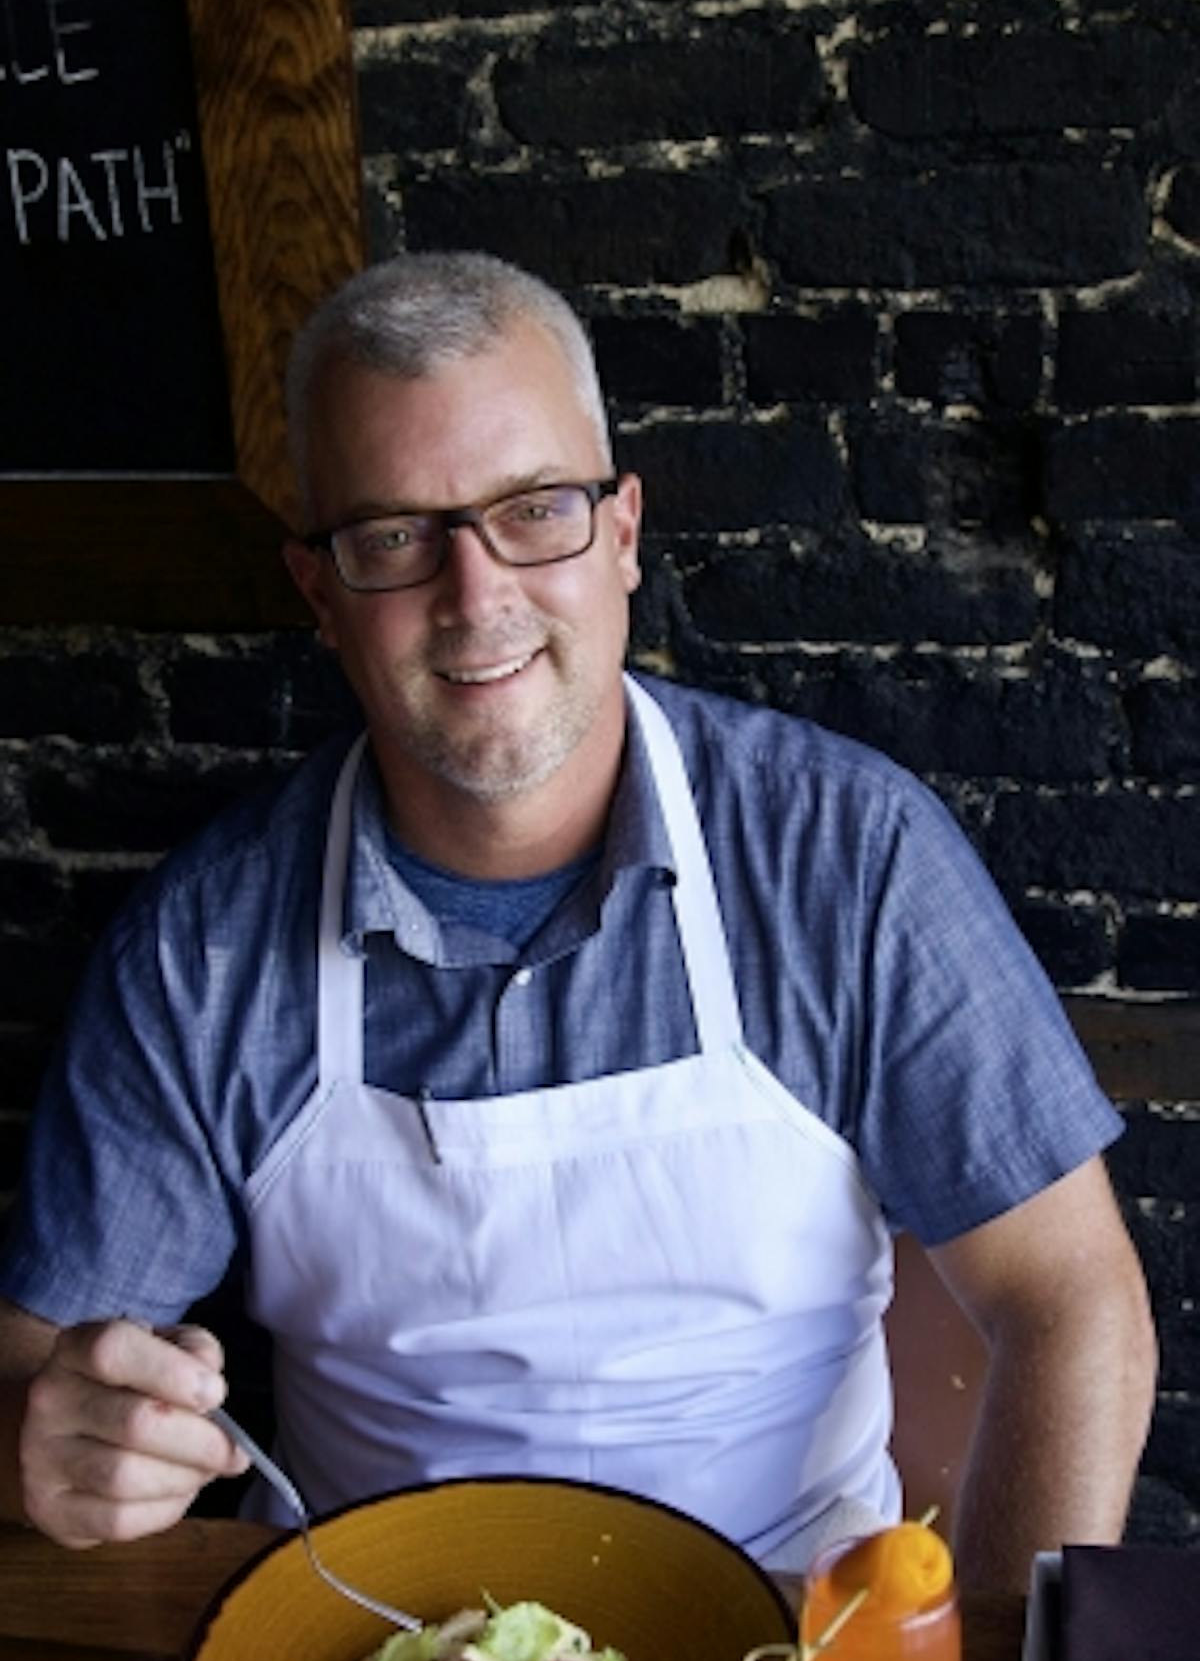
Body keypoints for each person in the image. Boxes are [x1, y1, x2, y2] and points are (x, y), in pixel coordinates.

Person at [0, 251, 1156, 1590]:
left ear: (621, 533)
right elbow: (33, 1376)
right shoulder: (203, 947)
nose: (477, 596)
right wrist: (56, 1442)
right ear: (319, 593)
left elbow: (1074, 1303)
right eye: (394, 537)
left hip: (795, 1653)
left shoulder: (847, 856)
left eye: (534, 509)